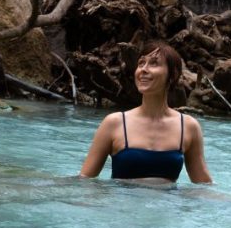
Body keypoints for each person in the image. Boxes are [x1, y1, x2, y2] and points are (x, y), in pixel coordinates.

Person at [79, 41, 213, 184]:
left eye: (154, 63)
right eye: (141, 63)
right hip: (122, 205)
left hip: (168, 205)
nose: (143, 69)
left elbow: (203, 187)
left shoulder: (188, 126)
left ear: (173, 75)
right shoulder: (114, 123)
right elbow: (84, 181)